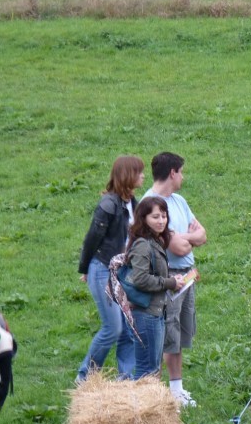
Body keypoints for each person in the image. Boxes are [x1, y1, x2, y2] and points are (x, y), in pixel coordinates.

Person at [143, 152, 206, 407]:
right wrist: (188, 239)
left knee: (179, 331)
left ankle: (177, 389)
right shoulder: (151, 204)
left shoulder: (178, 200)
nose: (183, 177)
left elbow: (202, 235)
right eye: (181, 172)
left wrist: (186, 238)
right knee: (168, 331)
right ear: (172, 173)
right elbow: (178, 248)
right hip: (169, 276)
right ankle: (162, 391)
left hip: (187, 274)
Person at [76, 155, 145, 382]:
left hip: (122, 273)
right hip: (103, 270)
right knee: (113, 328)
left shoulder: (132, 203)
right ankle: (85, 377)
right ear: (128, 175)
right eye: (139, 172)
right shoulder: (109, 205)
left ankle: (125, 377)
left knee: (127, 327)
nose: (143, 176)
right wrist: (85, 269)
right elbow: (91, 239)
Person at [123, 197, 185, 379]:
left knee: (151, 368)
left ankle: (147, 407)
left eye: (164, 216)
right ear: (144, 218)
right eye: (155, 217)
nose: (161, 221)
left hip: (155, 312)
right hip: (146, 314)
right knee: (147, 371)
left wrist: (172, 280)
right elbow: (140, 279)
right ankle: (140, 407)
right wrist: (170, 283)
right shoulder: (143, 244)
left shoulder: (154, 241)